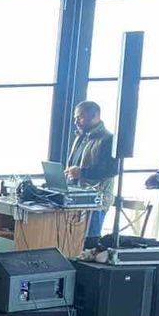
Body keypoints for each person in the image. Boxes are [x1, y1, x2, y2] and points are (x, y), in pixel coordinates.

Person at [64, 100, 116, 246]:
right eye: (75, 118)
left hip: (96, 199)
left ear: (94, 116)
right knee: (70, 242)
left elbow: (110, 170)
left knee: (89, 242)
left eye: (80, 117)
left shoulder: (108, 139)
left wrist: (82, 173)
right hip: (76, 196)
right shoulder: (80, 137)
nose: (76, 122)